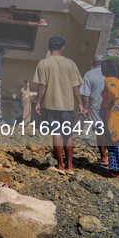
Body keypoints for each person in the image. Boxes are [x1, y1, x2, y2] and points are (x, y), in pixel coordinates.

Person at [33, 36, 86, 175]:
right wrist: (80, 104)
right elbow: (76, 87)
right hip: (67, 106)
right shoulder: (71, 64)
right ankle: (70, 167)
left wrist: (38, 102)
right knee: (68, 135)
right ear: (62, 48)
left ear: (49, 48)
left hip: (50, 105)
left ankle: (60, 166)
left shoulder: (43, 64)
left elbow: (42, 85)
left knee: (56, 133)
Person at [80, 54, 108, 166]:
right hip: (113, 109)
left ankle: (104, 158)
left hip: (97, 108)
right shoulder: (112, 74)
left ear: (92, 62)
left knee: (100, 134)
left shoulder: (89, 75)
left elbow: (85, 95)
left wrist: (85, 108)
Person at [99, 60, 119, 178]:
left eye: (102, 68)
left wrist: (111, 102)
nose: (101, 70)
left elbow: (113, 93)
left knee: (113, 142)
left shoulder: (109, 80)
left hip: (111, 116)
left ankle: (116, 171)